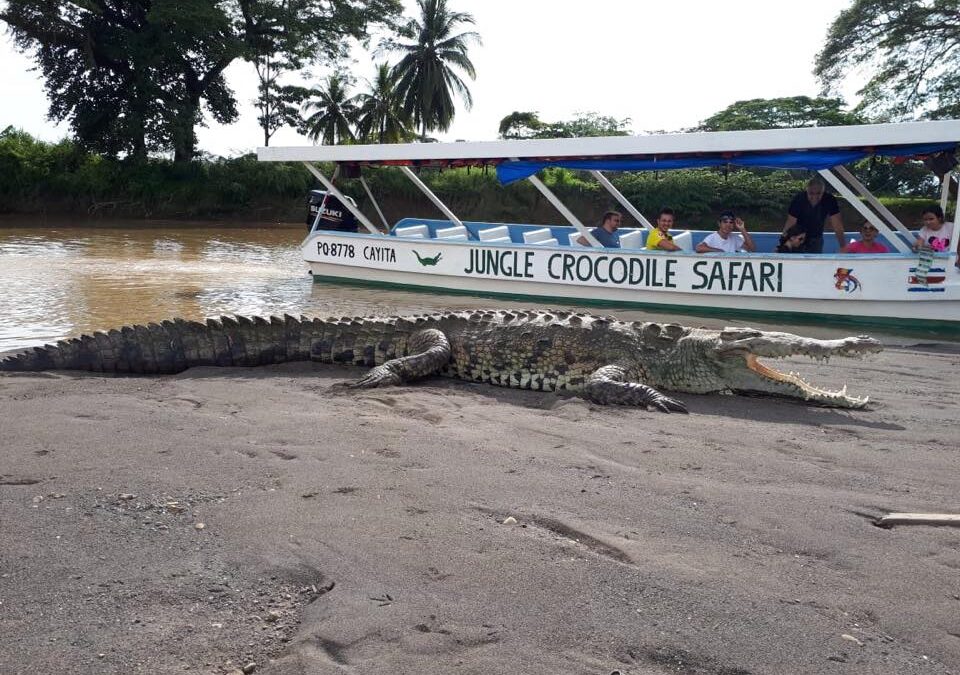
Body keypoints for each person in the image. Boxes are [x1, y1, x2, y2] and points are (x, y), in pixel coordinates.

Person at [781, 177, 845, 253]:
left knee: (815, 262)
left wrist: (843, 246)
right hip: (798, 238)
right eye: (811, 193)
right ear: (807, 191)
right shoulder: (799, 199)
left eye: (818, 193)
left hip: (817, 237)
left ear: (823, 192)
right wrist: (782, 244)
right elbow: (790, 223)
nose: (814, 197)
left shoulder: (829, 200)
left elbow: (837, 224)